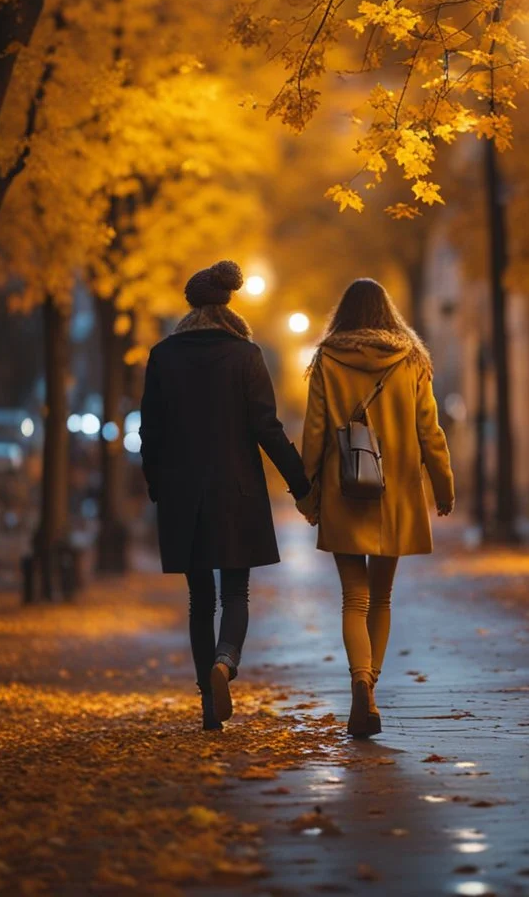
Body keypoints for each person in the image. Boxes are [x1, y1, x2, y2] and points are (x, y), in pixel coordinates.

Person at [140, 260, 310, 730]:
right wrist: (301, 485)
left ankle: (208, 704)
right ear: (228, 307)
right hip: (237, 493)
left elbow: (149, 431)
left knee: (200, 601)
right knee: (236, 591)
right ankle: (225, 661)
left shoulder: (163, 356)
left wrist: (156, 484)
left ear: (191, 308)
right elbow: (267, 429)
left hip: (182, 494)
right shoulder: (245, 356)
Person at [297, 278, 455, 738]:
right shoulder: (411, 360)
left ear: (343, 314)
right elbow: (430, 431)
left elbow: (314, 433)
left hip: (344, 489)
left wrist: (308, 495)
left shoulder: (327, 360)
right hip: (397, 492)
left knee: (353, 598)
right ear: (388, 313)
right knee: (381, 599)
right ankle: (370, 688)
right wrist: (443, 487)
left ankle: (358, 681)